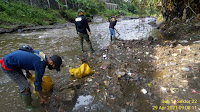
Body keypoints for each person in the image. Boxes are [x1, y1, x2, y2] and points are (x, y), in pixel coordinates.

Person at [0, 45, 62, 109]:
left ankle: (25, 99)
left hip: (11, 61)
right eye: (55, 66)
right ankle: (28, 107)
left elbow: (26, 58)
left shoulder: (42, 54)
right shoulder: (41, 64)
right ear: (51, 62)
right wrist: (43, 98)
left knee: (23, 83)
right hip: (7, 65)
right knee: (25, 86)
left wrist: (27, 72)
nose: (53, 68)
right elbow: (37, 83)